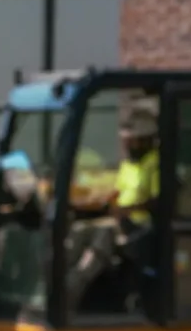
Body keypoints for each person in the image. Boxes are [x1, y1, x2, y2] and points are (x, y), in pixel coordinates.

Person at [65, 102, 159, 311]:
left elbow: (158, 202)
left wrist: (127, 210)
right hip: (120, 221)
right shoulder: (129, 164)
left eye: (130, 141)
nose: (126, 146)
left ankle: (76, 285)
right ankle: (59, 275)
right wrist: (101, 200)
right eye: (125, 141)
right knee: (80, 230)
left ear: (144, 140)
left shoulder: (156, 163)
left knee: (102, 235)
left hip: (141, 228)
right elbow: (119, 190)